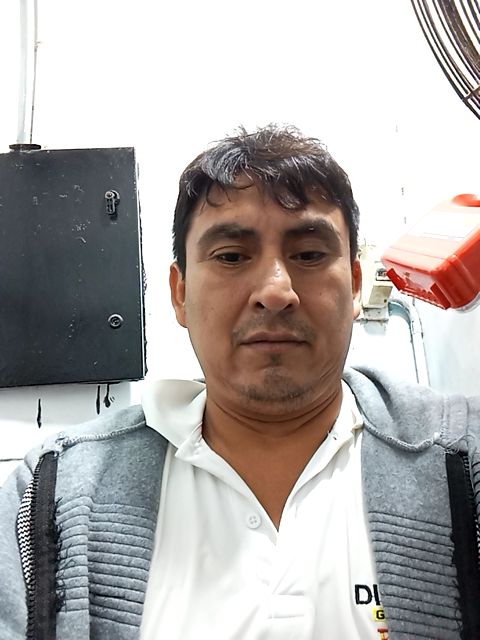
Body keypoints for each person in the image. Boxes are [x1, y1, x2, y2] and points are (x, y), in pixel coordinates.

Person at [0, 124, 479, 640]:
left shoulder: (463, 460)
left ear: (356, 285)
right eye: (230, 256)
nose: (275, 291)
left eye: (309, 255)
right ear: (180, 294)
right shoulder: (52, 491)